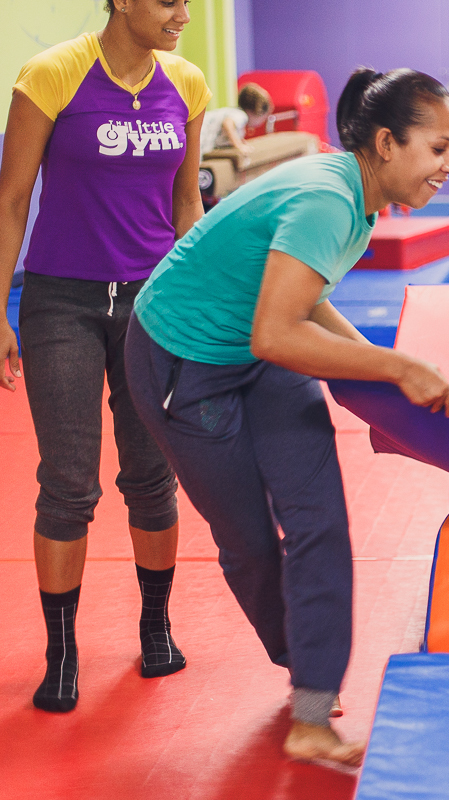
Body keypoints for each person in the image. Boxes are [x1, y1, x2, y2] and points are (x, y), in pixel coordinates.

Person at [124, 67, 449, 768]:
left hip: (255, 343)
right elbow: (277, 334)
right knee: (250, 541)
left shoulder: (359, 200)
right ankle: (295, 653)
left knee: (320, 519)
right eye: (438, 148)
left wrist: (371, 361)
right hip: (181, 359)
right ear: (389, 144)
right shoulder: (327, 201)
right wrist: (396, 368)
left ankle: (312, 709)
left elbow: (301, 300)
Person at [0, 0, 210, 713]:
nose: (182, 13)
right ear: (122, 1)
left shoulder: (186, 84)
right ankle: (62, 654)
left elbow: (189, 207)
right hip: (63, 302)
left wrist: (202, 303)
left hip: (154, 305)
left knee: (152, 475)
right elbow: (11, 200)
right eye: (168, 1)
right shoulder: (52, 74)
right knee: (67, 481)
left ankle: (156, 626)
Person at [198, 82, 273, 157]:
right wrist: (238, 145)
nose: (262, 122)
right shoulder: (241, 115)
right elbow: (227, 123)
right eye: (264, 118)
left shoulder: (234, 112)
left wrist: (239, 141)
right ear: (257, 112)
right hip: (199, 135)